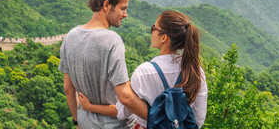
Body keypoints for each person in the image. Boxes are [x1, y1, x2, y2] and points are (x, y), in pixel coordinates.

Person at [78, 10, 208, 128]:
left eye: (154, 28)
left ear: (164, 38)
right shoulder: (196, 72)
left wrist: (90, 107)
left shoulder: (144, 72)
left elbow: (123, 112)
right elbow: (199, 119)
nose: (151, 31)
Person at [59, 0, 146, 128]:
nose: (125, 14)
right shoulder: (112, 40)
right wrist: (152, 114)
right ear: (107, 5)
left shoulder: (70, 37)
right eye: (123, 8)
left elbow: (68, 89)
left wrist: (77, 120)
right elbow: (125, 96)